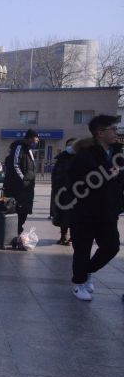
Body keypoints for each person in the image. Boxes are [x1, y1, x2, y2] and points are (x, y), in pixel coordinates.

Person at [68, 115, 122, 301]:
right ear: (100, 133)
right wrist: (107, 175)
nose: (116, 132)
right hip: (84, 212)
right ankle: (78, 283)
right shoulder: (85, 155)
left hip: (108, 211)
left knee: (111, 247)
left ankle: (88, 271)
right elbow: (77, 184)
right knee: (82, 249)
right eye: (112, 129)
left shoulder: (116, 154)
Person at [4, 129, 39, 234]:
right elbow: (15, 165)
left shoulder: (29, 150)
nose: (37, 141)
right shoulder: (19, 147)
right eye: (36, 138)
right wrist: (23, 179)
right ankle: (14, 234)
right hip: (17, 188)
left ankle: (17, 232)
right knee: (17, 211)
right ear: (30, 138)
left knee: (24, 212)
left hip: (27, 188)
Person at [51, 138, 76, 245]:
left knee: (74, 216)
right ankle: (63, 236)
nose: (70, 147)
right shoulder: (61, 158)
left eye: (73, 145)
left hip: (76, 192)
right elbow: (55, 174)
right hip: (61, 192)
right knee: (62, 215)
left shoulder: (81, 158)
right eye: (68, 145)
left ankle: (73, 237)